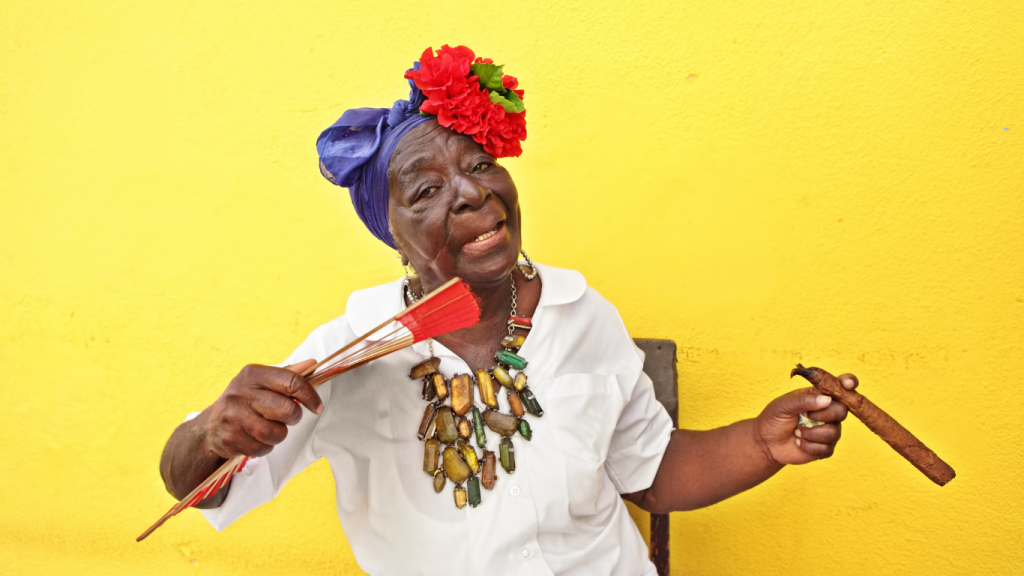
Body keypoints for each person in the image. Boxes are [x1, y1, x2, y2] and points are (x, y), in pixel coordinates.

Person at [158, 45, 858, 575]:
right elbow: (198, 489)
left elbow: (651, 471)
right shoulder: (350, 350)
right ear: (392, 234)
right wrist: (215, 435)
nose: (469, 194)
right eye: (425, 192)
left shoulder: (586, 315)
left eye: (480, 165)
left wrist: (761, 444)